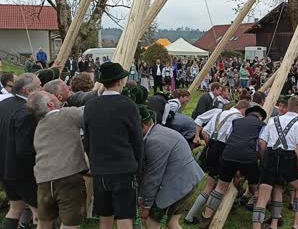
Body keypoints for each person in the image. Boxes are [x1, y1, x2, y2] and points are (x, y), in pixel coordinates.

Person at [83, 62, 143, 229]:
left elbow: (87, 140)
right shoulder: (128, 105)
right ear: (120, 81)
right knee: (124, 217)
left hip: (100, 169)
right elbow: (137, 141)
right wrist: (138, 166)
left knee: (105, 217)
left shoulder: (91, 105)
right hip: (123, 168)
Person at [27, 91, 87, 229]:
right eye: (52, 95)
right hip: (67, 176)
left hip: (43, 180)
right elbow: (90, 112)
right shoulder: (67, 114)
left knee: (44, 222)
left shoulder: (39, 127)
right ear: (51, 104)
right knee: (70, 224)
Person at [138, 106, 204, 229]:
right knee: (172, 223)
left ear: (141, 125)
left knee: (151, 222)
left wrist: (146, 205)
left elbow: (153, 176)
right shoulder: (161, 131)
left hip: (177, 186)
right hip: (189, 180)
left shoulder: (154, 141)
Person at [200, 106, 266, 228]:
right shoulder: (262, 125)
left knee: (220, 187)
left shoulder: (236, 121)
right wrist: (261, 159)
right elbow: (260, 143)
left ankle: (205, 218)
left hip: (228, 154)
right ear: (260, 117)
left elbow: (227, 137)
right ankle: (258, 222)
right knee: (256, 190)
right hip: (248, 157)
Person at [185, 101, 249, 225]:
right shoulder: (237, 118)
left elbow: (204, 132)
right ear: (244, 110)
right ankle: (204, 215)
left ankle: (191, 215)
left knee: (210, 184)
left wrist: (212, 145)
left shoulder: (220, 113)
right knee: (218, 186)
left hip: (212, 148)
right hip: (224, 151)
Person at [253, 97, 298, 229]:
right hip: (288, 158)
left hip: (270, 155)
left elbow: (261, 142)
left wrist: (264, 159)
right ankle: (296, 226)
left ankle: (270, 224)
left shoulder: (273, 120)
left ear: (288, 107)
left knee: (264, 196)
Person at [0, 73, 42, 229]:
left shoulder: (4, 104)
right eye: (39, 86)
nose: (42, 89)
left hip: (4, 167)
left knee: (16, 208)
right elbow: (24, 150)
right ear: (28, 91)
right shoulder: (27, 113)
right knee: (40, 213)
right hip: (22, 172)